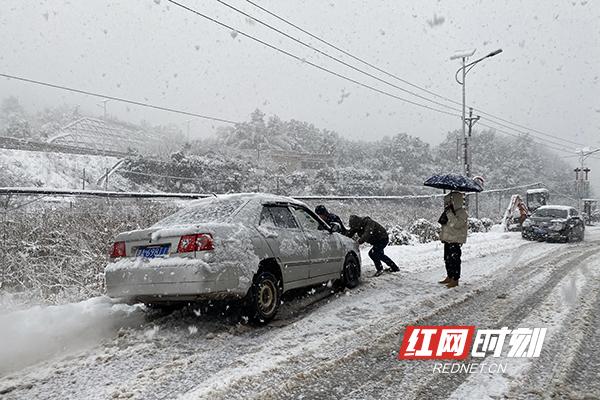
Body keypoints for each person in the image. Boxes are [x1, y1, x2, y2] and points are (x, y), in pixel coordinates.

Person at [438, 192, 468, 288]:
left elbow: (457, 224)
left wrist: (449, 214)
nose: (449, 203)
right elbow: (445, 225)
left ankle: (455, 279)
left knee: (454, 260)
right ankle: (449, 276)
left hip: (455, 240)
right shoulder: (449, 211)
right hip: (448, 239)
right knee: (447, 259)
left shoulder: (462, 213)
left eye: (451, 200)